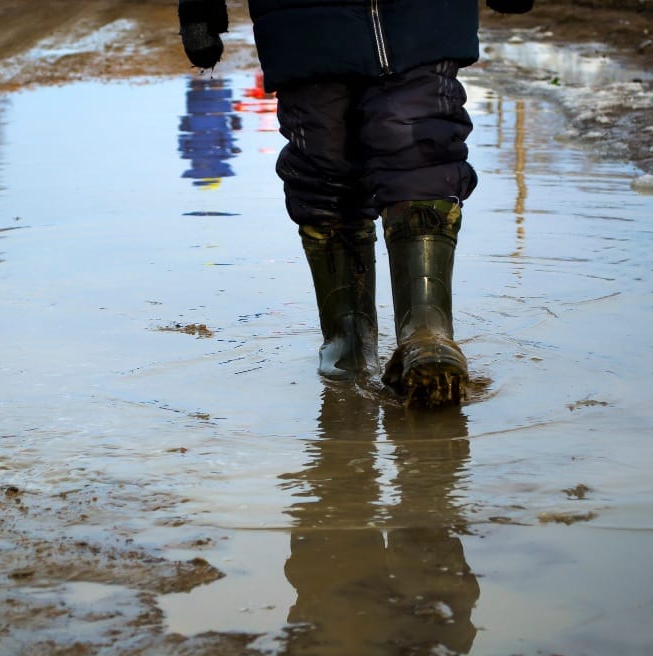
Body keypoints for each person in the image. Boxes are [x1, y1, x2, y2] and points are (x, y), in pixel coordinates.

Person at [178, 0, 534, 407]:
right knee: (324, 162)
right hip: (302, 21)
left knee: (420, 139)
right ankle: (349, 340)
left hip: (424, 16)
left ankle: (426, 331)